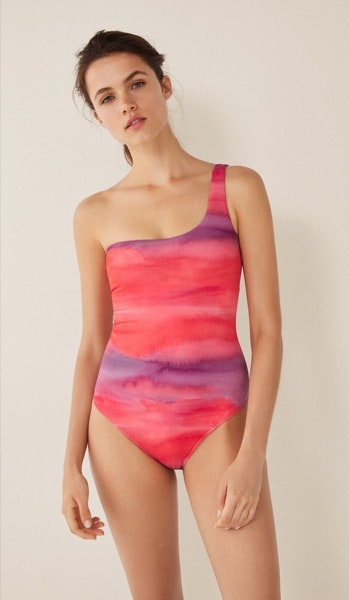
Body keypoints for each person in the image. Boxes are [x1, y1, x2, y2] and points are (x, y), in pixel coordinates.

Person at [62, 29, 282, 600]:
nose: (126, 104)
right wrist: (70, 465)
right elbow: (93, 342)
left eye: (136, 84)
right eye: (107, 97)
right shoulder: (94, 214)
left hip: (219, 418)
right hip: (120, 423)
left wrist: (253, 453)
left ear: (164, 85)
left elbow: (267, 331)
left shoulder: (238, 187)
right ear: (98, 115)